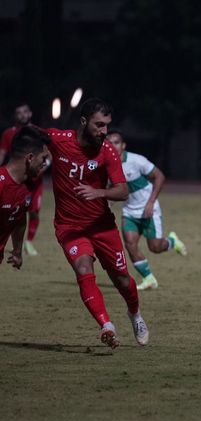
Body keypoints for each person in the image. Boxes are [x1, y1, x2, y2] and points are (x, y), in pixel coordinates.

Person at [47, 98, 148, 348]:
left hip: (102, 226)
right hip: (70, 227)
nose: (104, 132)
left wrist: (99, 193)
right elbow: (31, 137)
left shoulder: (107, 152)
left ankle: (134, 314)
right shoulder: (59, 140)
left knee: (122, 280)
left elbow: (123, 191)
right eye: (99, 125)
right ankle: (107, 326)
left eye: (107, 126)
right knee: (83, 268)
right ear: (83, 122)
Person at [106, 129, 187, 290]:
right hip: (129, 212)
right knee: (130, 244)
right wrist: (108, 202)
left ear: (123, 146)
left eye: (116, 142)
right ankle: (149, 279)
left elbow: (160, 176)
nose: (112, 146)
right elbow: (113, 188)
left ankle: (172, 241)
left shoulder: (136, 161)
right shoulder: (106, 165)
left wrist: (150, 202)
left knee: (155, 247)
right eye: (108, 142)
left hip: (148, 208)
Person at [0, 127, 51, 269]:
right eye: (44, 158)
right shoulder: (2, 183)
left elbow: (19, 219)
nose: (45, 163)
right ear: (30, 158)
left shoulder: (26, 187)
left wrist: (17, 250)